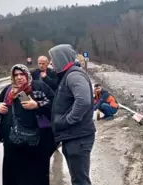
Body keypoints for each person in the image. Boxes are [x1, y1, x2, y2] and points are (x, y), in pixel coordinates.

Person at [0, 64, 55, 185]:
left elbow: (55, 104)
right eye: (16, 75)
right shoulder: (8, 90)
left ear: (27, 75)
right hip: (12, 145)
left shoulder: (39, 87)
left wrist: (37, 105)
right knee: (13, 177)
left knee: (35, 177)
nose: (19, 77)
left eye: (22, 74)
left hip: (36, 144)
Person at [49, 44, 96, 185]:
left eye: (53, 59)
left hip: (78, 137)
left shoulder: (74, 75)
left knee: (80, 180)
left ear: (61, 59)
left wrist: (68, 120)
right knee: (77, 178)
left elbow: (83, 101)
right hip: (74, 136)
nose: (51, 63)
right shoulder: (67, 75)